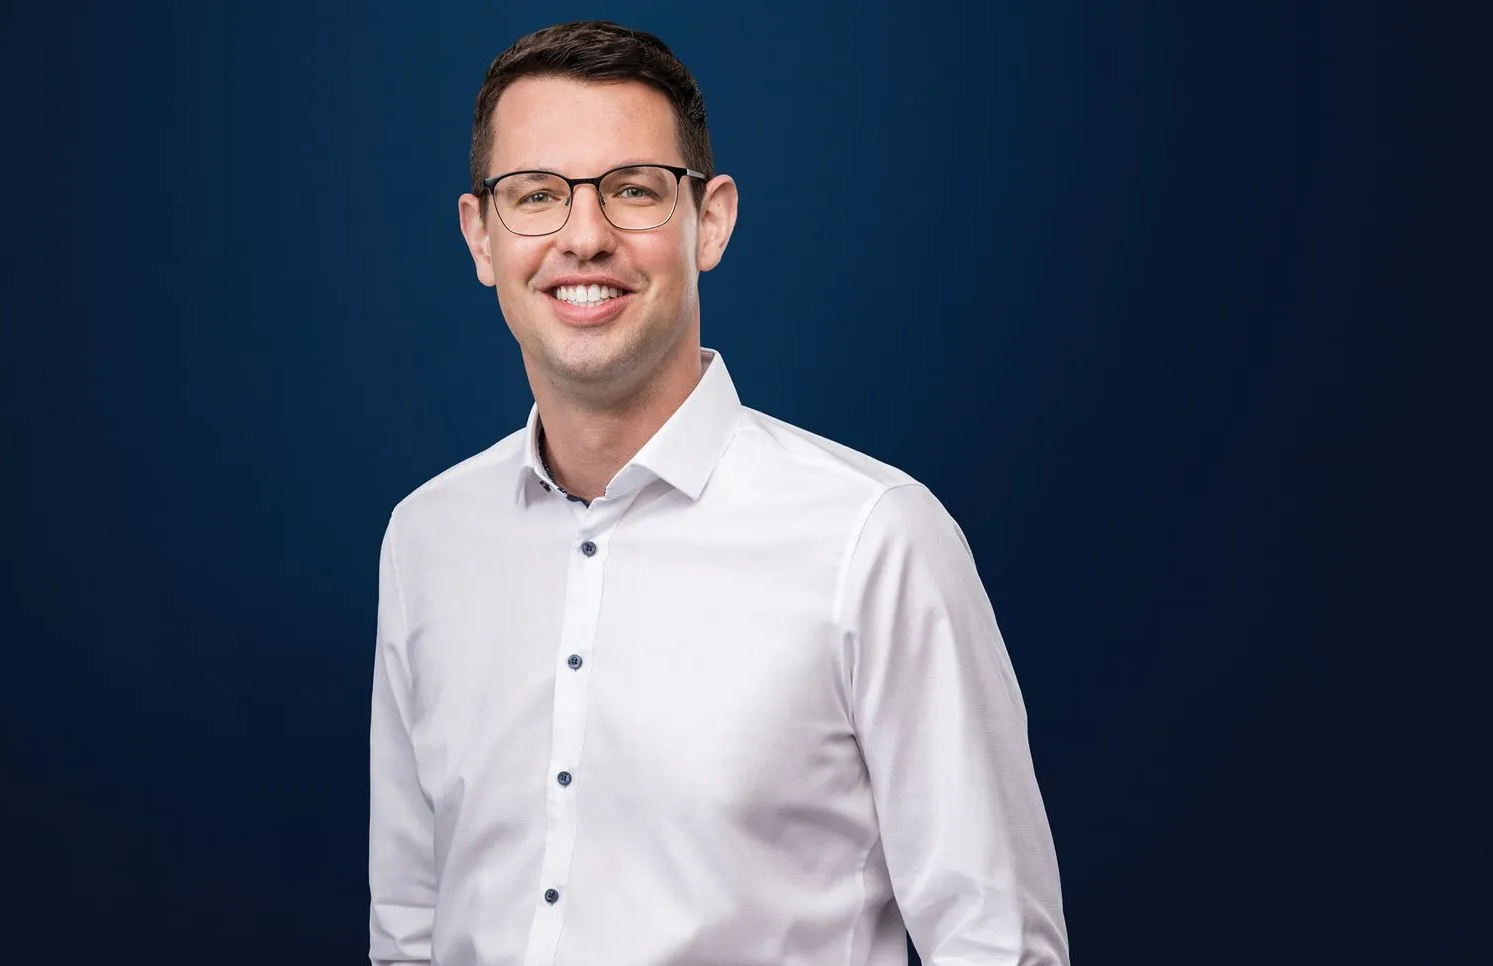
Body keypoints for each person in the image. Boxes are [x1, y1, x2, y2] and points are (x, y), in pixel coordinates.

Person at [368, 21, 1069, 966]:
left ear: (712, 220)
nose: (585, 237)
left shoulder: (873, 538)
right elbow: (409, 931)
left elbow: (997, 945)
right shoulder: (427, 540)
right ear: (480, 236)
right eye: (536, 194)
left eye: (633, 190)